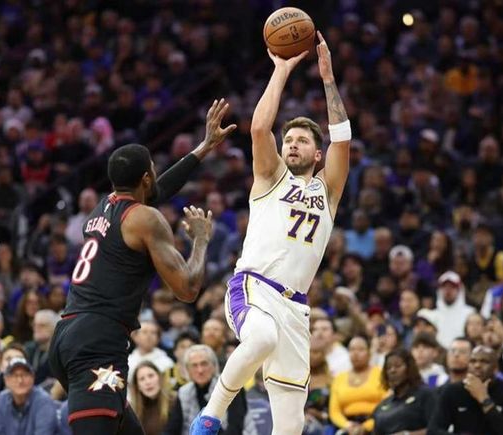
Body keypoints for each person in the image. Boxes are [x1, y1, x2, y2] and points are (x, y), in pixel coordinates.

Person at [193, 33, 351, 435]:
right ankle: (210, 416)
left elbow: (343, 140)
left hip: (296, 307)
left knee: (291, 423)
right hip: (254, 287)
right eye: (289, 140)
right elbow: (260, 128)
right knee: (261, 337)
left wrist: (328, 78)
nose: (292, 144)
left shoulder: (328, 191)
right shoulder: (270, 178)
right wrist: (280, 71)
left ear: (318, 154)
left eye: (302, 141)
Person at [48, 99, 235, 435]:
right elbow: (188, 289)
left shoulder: (105, 207)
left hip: (67, 335)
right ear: (146, 178)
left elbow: (157, 190)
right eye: (152, 171)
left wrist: (204, 147)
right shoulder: (146, 219)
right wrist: (201, 240)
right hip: (98, 344)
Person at [428, 346, 503, 435]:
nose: (477, 365)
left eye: (484, 361)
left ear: (496, 368)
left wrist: (485, 400)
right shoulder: (453, 391)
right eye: (473, 361)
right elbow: (433, 430)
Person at [163, 345, 255, 435]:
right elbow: (172, 428)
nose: (200, 370)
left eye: (204, 364)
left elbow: (235, 428)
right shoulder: (184, 392)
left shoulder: (229, 386)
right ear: (187, 370)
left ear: (214, 366)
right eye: (194, 365)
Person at [328, 336, 387, 434]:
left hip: (376, 425)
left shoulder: (380, 374)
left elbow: (386, 406)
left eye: (361, 349)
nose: (355, 354)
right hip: (347, 427)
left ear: (369, 353)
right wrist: (347, 425)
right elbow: (334, 412)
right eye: (352, 349)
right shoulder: (339, 378)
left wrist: (366, 427)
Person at [372, 348, 436, 435]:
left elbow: (437, 429)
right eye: (388, 368)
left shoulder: (426, 394)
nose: (392, 370)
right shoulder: (383, 405)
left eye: (398, 366)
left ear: (410, 368)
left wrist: (408, 434)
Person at [0, 357, 58, 435]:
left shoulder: (44, 401)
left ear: (33, 377)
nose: (20, 380)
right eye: (15, 375)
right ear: (6, 380)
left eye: (25, 375)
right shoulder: (1, 400)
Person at [128, 360, 174, 435]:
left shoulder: (174, 402)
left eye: (151, 376)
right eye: (142, 379)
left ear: (159, 377)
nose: (148, 382)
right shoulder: (132, 411)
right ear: (138, 386)